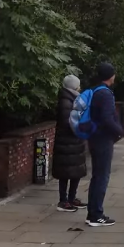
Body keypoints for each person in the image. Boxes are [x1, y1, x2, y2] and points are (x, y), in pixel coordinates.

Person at [86, 62, 124, 227]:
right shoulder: (106, 94)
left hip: (94, 137)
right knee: (102, 177)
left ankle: (91, 213)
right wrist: (119, 131)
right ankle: (96, 215)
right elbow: (107, 118)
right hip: (102, 139)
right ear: (111, 76)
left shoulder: (95, 91)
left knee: (96, 176)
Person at [52, 75, 87, 212]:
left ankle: (72, 198)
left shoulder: (74, 99)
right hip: (67, 142)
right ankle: (63, 201)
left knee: (75, 172)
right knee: (65, 173)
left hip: (74, 142)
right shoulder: (66, 101)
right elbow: (69, 122)